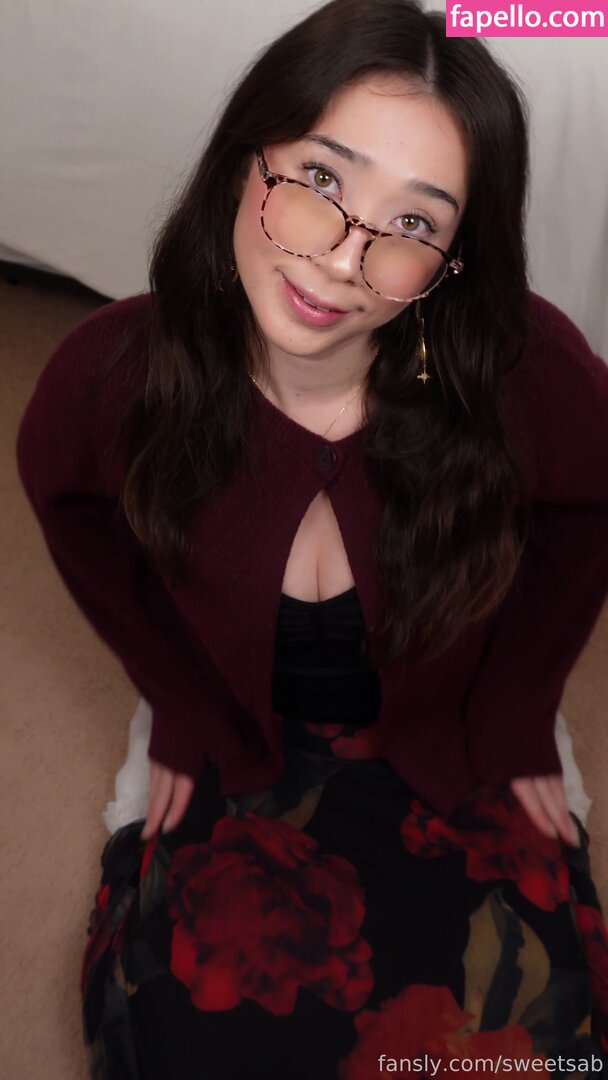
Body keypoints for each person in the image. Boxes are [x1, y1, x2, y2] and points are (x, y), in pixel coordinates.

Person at [15, 0, 608, 1075]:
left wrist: (519, 710)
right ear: (244, 162)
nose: (343, 259)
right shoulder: (110, 377)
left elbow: (588, 508)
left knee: (525, 1045)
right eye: (322, 180)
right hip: (239, 745)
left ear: (452, 261)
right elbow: (70, 508)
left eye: (413, 226)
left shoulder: (526, 373)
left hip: (450, 745)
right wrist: (178, 701)